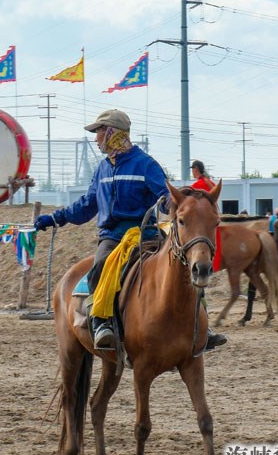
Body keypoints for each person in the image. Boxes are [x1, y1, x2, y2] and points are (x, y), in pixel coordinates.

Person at [34, 109, 227, 353]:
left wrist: (180, 204)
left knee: (180, 265)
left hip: (145, 234)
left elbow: (165, 197)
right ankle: (102, 322)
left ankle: (201, 325)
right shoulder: (102, 169)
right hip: (112, 238)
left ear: (113, 132)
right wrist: (55, 218)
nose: (96, 138)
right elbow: (86, 205)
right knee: (100, 267)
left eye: (99, 132)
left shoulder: (145, 164)